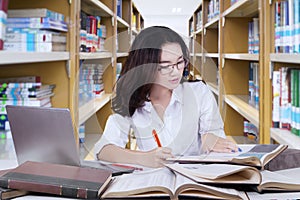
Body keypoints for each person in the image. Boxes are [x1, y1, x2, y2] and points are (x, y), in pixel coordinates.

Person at [94, 26, 238, 168]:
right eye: (165, 65)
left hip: (195, 182)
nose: (175, 72)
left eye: (180, 62)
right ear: (145, 66)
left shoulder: (199, 93)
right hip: (154, 183)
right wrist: (144, 158)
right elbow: (103, 150)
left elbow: (215, 137)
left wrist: (210, 138)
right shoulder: (132, 100)